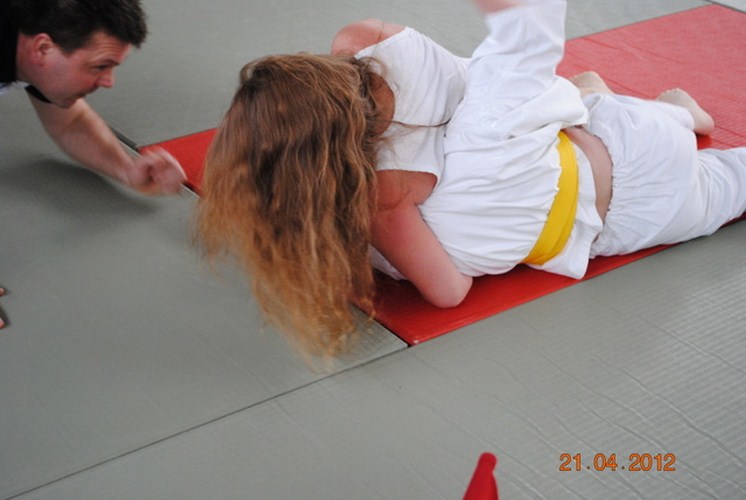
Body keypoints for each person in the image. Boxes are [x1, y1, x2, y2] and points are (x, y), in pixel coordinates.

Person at [195, 0, 746, 358]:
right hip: (593, 131)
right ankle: (665, 109)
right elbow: (507, 53)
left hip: (630, 204)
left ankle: (664, 110)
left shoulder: (386, 197)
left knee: (716, 178)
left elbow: (449, 291)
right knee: (604, 114)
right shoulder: (385, 55)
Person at [1, 0, 187, 328]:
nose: (108, 81)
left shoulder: (31, 26)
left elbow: (69, 122)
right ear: (42, 49)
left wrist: (126, 169)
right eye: (100, 66)